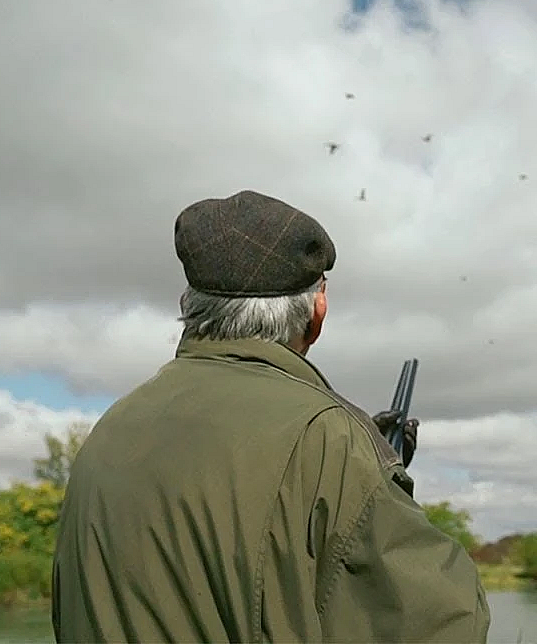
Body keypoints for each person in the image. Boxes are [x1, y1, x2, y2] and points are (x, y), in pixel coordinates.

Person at [52, 190, 491, 643]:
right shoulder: (332, 439)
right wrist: (373, 477)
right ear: (317, 311)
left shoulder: (110, 429)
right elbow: (443, 626)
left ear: (191, 306)